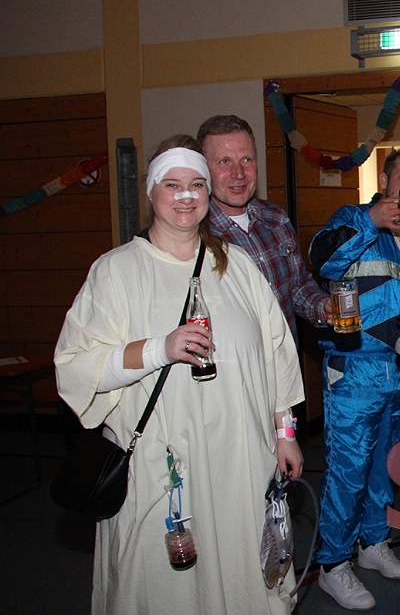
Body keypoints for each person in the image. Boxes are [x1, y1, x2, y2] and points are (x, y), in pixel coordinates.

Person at [54, 143, 305, 614]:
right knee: (165, 590)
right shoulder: (117, 271)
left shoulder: (236, 265)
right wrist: (159, 349)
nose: (186, 196)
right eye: (172, 185)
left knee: (243, 569)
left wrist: (285, 434)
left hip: (240, 460)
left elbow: (277, 355)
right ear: (152, 193)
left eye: (196, 185)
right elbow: (76, 366)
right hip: (164, 467)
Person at [308, 148, 400, 610]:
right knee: (349, 469)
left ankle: (373, 541)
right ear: (385, 180)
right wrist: (370, 220)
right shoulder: (354, 216)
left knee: (386, 462)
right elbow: (323, 260)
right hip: (356, 366)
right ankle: (333, 563)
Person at [198, 115, 331, 344]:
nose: (239, 173)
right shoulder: (195, 236)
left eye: (247, 159)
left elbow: (297, 286)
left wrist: (323, 306)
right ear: (203, 169)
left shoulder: (275, 218)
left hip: (285, 361)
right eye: (224, 161)